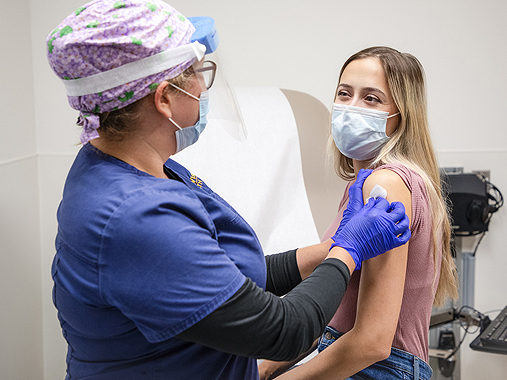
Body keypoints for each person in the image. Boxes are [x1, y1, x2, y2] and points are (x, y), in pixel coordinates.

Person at [47, 3, 412, 379]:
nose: (204, 87)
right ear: (163, 98)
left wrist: (322, 254)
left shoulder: (129, 166)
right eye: (196, 74)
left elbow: (220, 281)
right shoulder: (134, 217)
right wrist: (347, 251)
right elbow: (284, 331)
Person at [259, 47, 459, 380]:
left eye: (371, 99)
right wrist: (266, 369)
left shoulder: (386, 183)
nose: (351, 108)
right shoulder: (361, 186)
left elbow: (372, 342)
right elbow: (337, 311)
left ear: (401, 116)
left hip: (376, 368)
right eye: (344, 93)